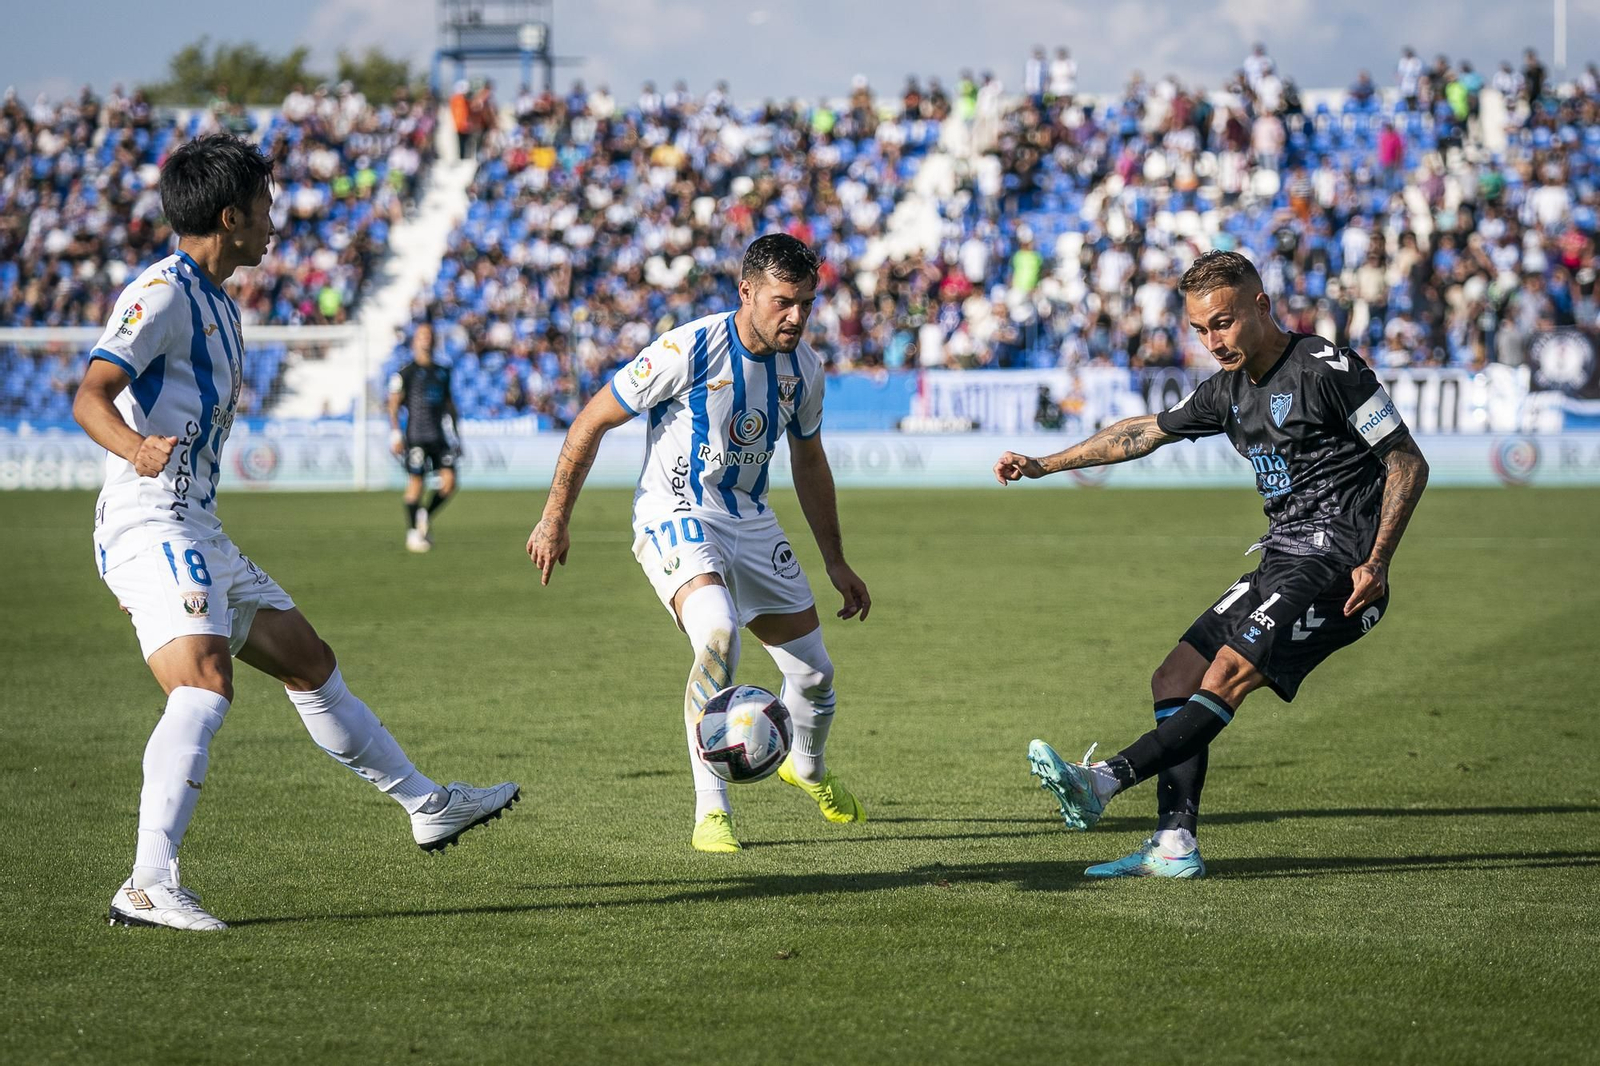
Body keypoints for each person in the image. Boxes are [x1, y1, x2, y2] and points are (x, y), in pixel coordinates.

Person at [73, 134, 518, 932]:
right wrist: (137, 452)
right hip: (150, 518)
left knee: (309, 663)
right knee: (204, 686)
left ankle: (427, 806)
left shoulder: (220, 303)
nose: (276, 221)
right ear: (230, 214)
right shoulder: (162, 294)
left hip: (194, 525)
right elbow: (91, 395)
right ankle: (146, 884)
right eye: (267, 207)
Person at [992, 250, 1429, 879]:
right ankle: (1175, 847)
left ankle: (1103, 782)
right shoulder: (1226, 389)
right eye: (1199, 329)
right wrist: (1043, 464)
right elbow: (1143, 432)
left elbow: (1406, 460)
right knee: (1174, 677)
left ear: (1260, 305)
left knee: (1227, 671)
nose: (1211, 340)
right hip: (1283, 558)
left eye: (1221, 323)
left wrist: (1378, 559)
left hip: (1338, 563)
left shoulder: (1326, 368)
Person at [526, 234, 871, 853]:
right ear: (747, 293)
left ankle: (806, 768)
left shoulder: (805, 370)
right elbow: (592, 420)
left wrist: (836, 561)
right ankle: (712, 811)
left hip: (752, 520)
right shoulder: (688, 349)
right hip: (676, 512)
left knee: (816, 675)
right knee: (717, 633)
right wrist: (555, 517)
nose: (796, 317)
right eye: (782, 302)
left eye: (806, 304)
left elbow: (810, 462)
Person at [388, 322, 460, 552]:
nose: (426, 339)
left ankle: (423, 515)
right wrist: (395, 434)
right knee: (416, 483)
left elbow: (450, 405)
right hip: (416, 436)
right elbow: (393, 405)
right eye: (421, 336)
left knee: (449, 483)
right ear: (414, 341)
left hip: (439, 437)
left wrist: (457, 435)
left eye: (429, 335)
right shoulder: (405, 373)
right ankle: (412, 534)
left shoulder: (442, 372)